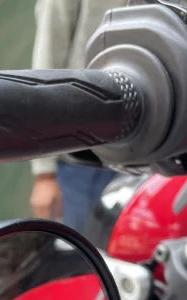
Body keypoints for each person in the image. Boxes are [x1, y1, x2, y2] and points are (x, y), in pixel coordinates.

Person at [29, 0, 128, 232]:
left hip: (145, 155)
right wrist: (44, 173)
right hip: (82, 161)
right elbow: (45, 68)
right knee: (80, 249)